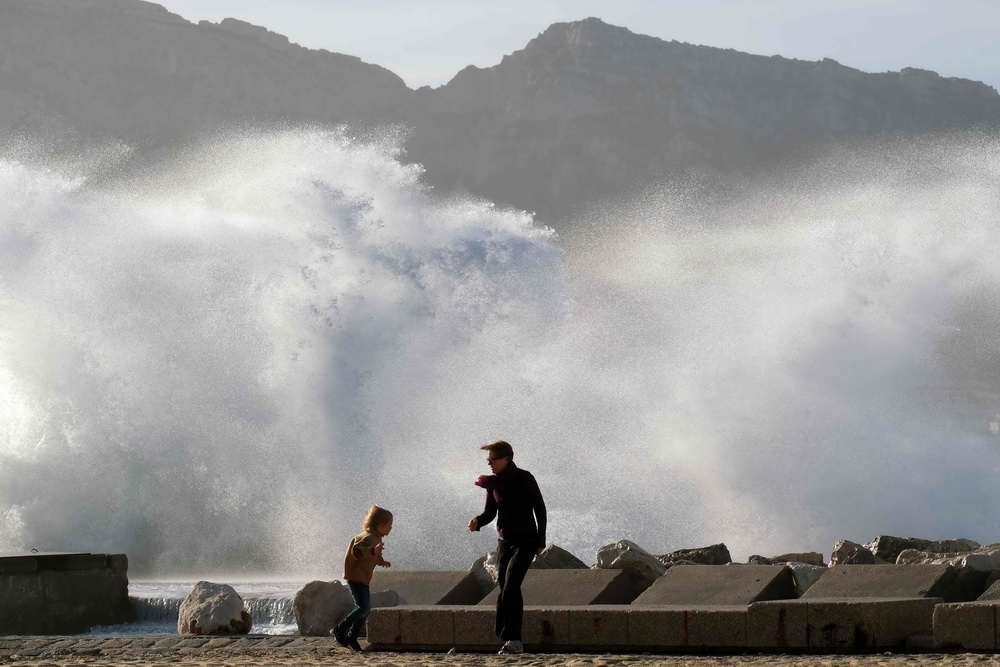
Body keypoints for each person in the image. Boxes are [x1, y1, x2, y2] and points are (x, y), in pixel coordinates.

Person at [468, 440, 547, 655]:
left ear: (506, 459)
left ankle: (515, 639)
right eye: (488, 460)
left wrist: (541, 540)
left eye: (493, 460)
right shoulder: (493, 484)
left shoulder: (525, 478)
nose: (489, 464)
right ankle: (507, 637)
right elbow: (490, 512)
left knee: (512, 586)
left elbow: (540, 509)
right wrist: (478, 521)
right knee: (504, 589)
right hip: (504, 543)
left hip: (526, 541)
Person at [334, 504, 393, 651]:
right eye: (390, 525)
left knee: (365, 610)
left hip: (363, 578)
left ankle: (352, 638)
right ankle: (339, 630)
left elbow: (375, 554)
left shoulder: (376, 537)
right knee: (363, 608)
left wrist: (381, 561)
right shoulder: (368, 537)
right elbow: (357, 551)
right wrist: (373, 551)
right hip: (355, 577)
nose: (391, 528)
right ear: (381, 525)